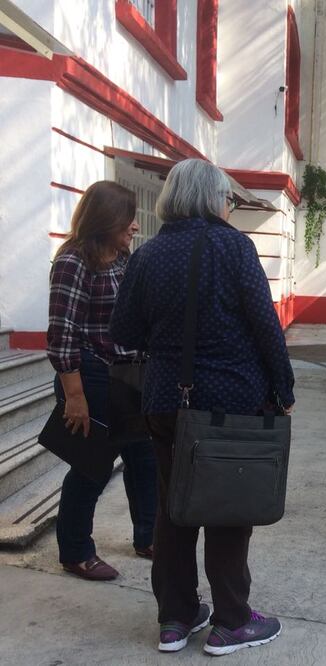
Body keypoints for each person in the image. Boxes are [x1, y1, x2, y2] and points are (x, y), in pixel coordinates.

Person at [110, 159, 295, 656]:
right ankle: (232, 622)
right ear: (214, 198)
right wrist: (285, 390)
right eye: (229, 199)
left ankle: (176, 617)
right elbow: (264, 325)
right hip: (232, 402)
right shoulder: (234, 247)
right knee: (228, 510)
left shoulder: (147, 255)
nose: (229, 207)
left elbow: (123, 333)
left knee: (175, 508)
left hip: (167, 401)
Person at [46, 180, 157, 582]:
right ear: (106, 218)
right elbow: (62, 333)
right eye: (128, 218)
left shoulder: (124, 258)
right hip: (89, 376)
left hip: (128, 375)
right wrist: (74, 396)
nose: (134, 227)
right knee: (91, 465)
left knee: (144, 459)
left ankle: (149, 536)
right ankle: (75, 550)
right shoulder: (74, 261)